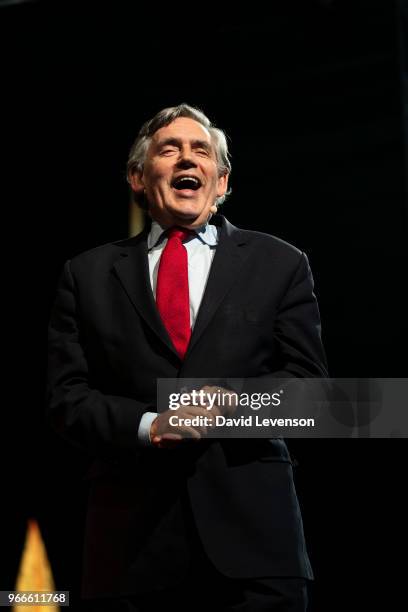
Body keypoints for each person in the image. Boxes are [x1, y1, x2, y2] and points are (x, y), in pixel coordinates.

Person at [47, 104, 328, 611]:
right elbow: (67, 399)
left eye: (201, 151)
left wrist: (233, 404)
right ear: (138, 175)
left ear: (221, 182)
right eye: (169, 149)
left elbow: (312, 393)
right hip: (130, 549)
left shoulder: (280, 263)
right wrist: (150, 424)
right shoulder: (84, 274)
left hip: (255, 546)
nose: (187, 159)